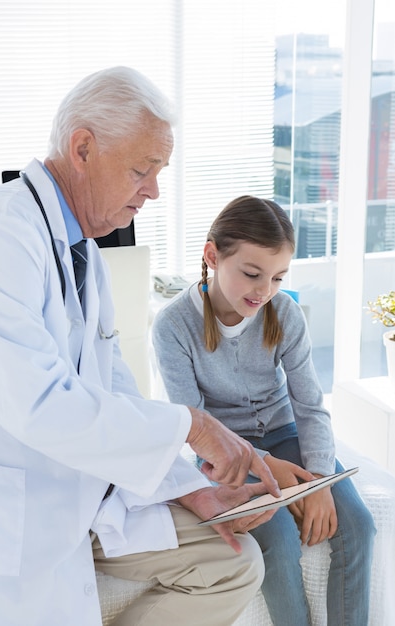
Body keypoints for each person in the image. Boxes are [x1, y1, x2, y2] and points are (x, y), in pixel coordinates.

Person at [0, 70, 287, 626]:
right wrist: (192, 424)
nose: (153, 191)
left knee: (233, 565)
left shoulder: (83, 252)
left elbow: (111, 382)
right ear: (83, 149)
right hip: (15, 509)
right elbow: (37, 403)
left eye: (159, 172)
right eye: (142, 170)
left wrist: (187, 487)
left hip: (80, 490)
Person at [152, 195, 377, 626]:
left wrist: (321, 483)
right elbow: (194, 422)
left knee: (361, 526)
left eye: (277, 278)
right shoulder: (172, 326)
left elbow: (310, 406)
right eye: (252, 274)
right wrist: (268, 466)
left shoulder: (285, 313)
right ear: (212, 255)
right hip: (225, 455)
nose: (264, 291)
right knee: (277, 537)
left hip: (286, 433)